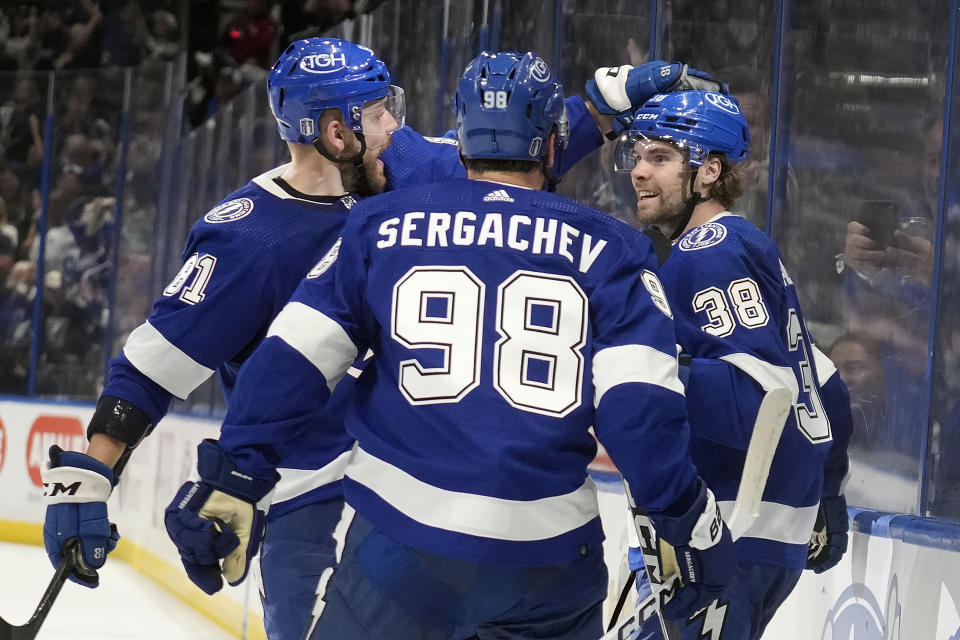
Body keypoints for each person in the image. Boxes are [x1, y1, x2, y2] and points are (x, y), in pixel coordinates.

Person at [40, 35, 714, 640]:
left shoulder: (410, 172)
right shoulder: (250, 237)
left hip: (398, 496)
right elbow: (153, 367)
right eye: (380, 113)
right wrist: (91, 474)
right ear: (336, 134)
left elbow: (517, 152)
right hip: (317, 498)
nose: (399, 127)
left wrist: (606, 99)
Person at [612, 90, 854, 639]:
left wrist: (641, 377)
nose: (639, 173)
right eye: (638, 156)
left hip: (723, 535)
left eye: (661, 158)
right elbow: (824, 382)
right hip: (769, 533)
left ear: (708, 171)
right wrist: (830, 490)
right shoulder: (747, 245)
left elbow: (758, 392)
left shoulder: (707, 252)